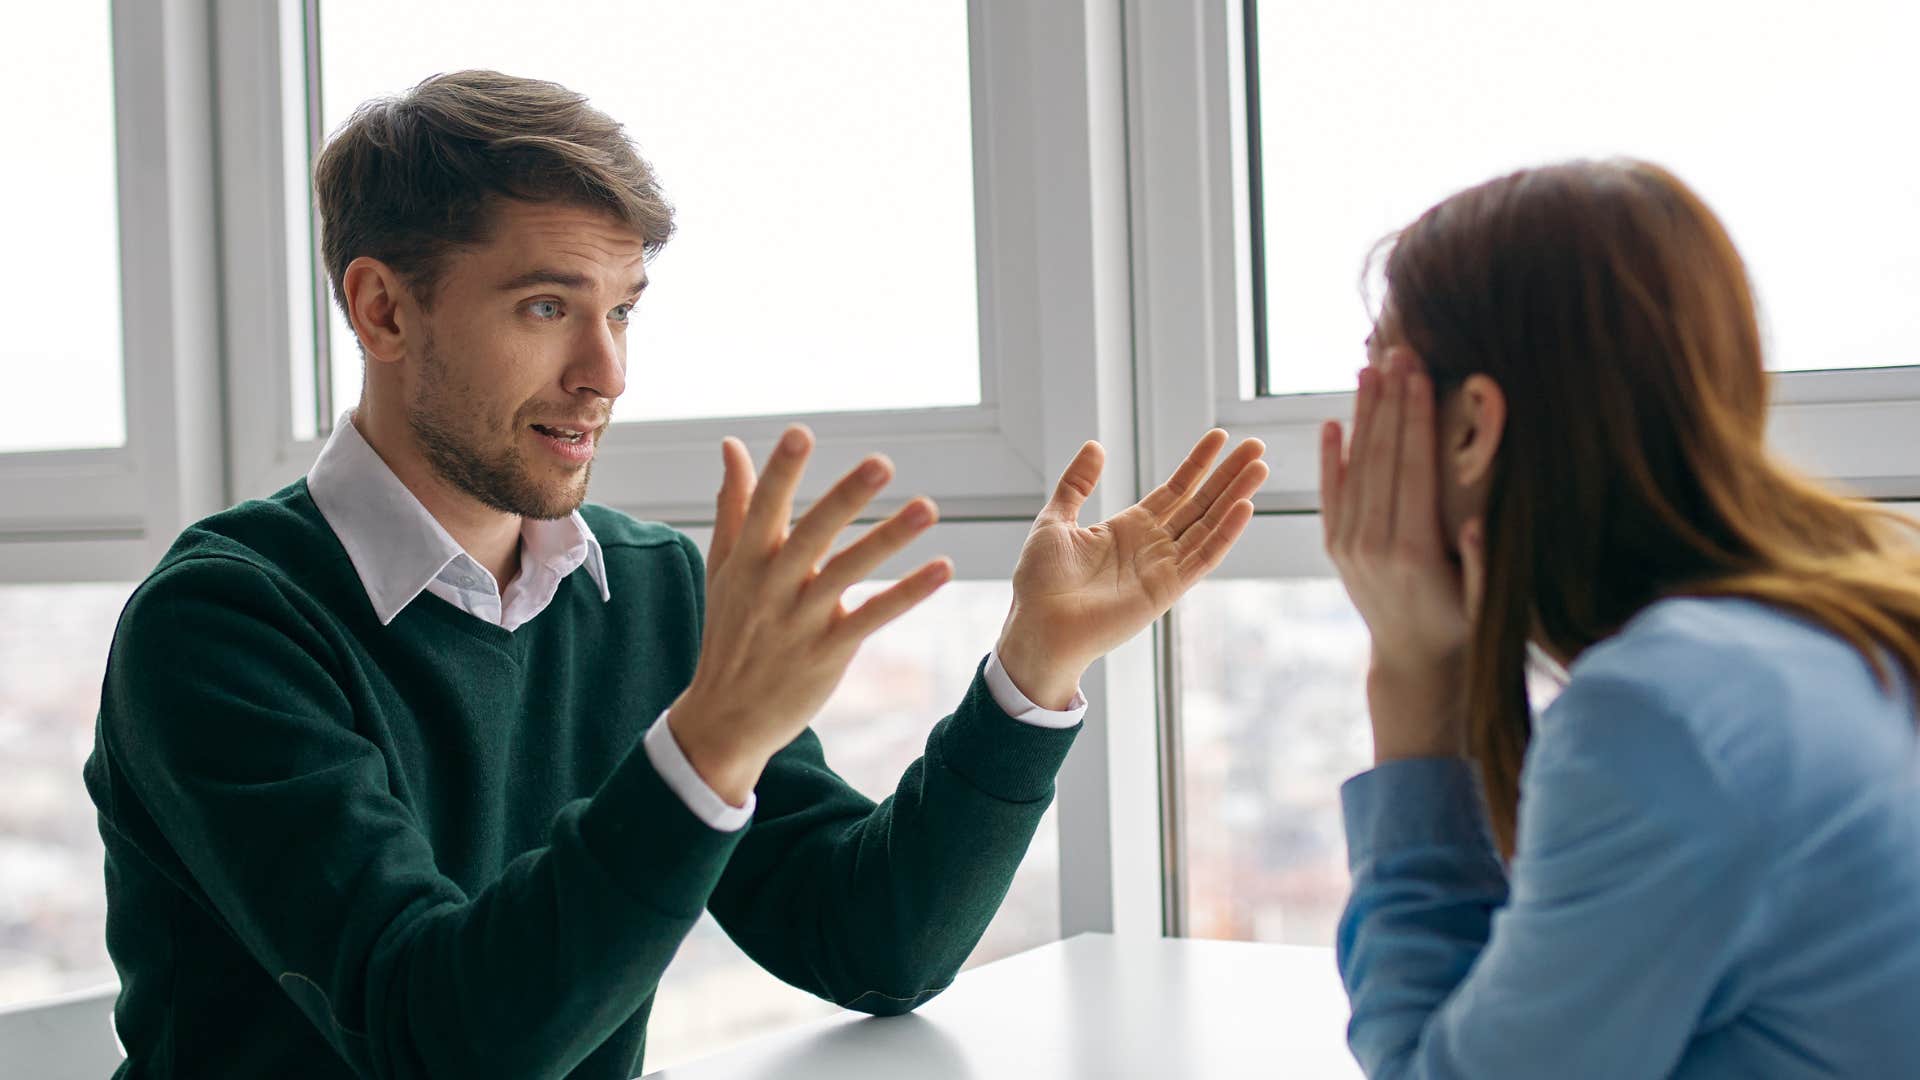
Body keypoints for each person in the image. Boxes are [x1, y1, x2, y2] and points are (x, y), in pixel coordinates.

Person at [82, 70, 1269, 1078]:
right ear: (383, 310)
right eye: (548, 305)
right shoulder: (223, 623)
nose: (605, 371)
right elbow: (437, 1039)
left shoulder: (645, 592)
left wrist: (1033, 669)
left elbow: (872, 943)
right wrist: (705, 743)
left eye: (623, 311)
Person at [1321, 158, 1920, 1077]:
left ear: (1471, 426)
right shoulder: (1858, 613)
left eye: (1376, 374)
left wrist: (1414, 686)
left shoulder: (1661, 715)